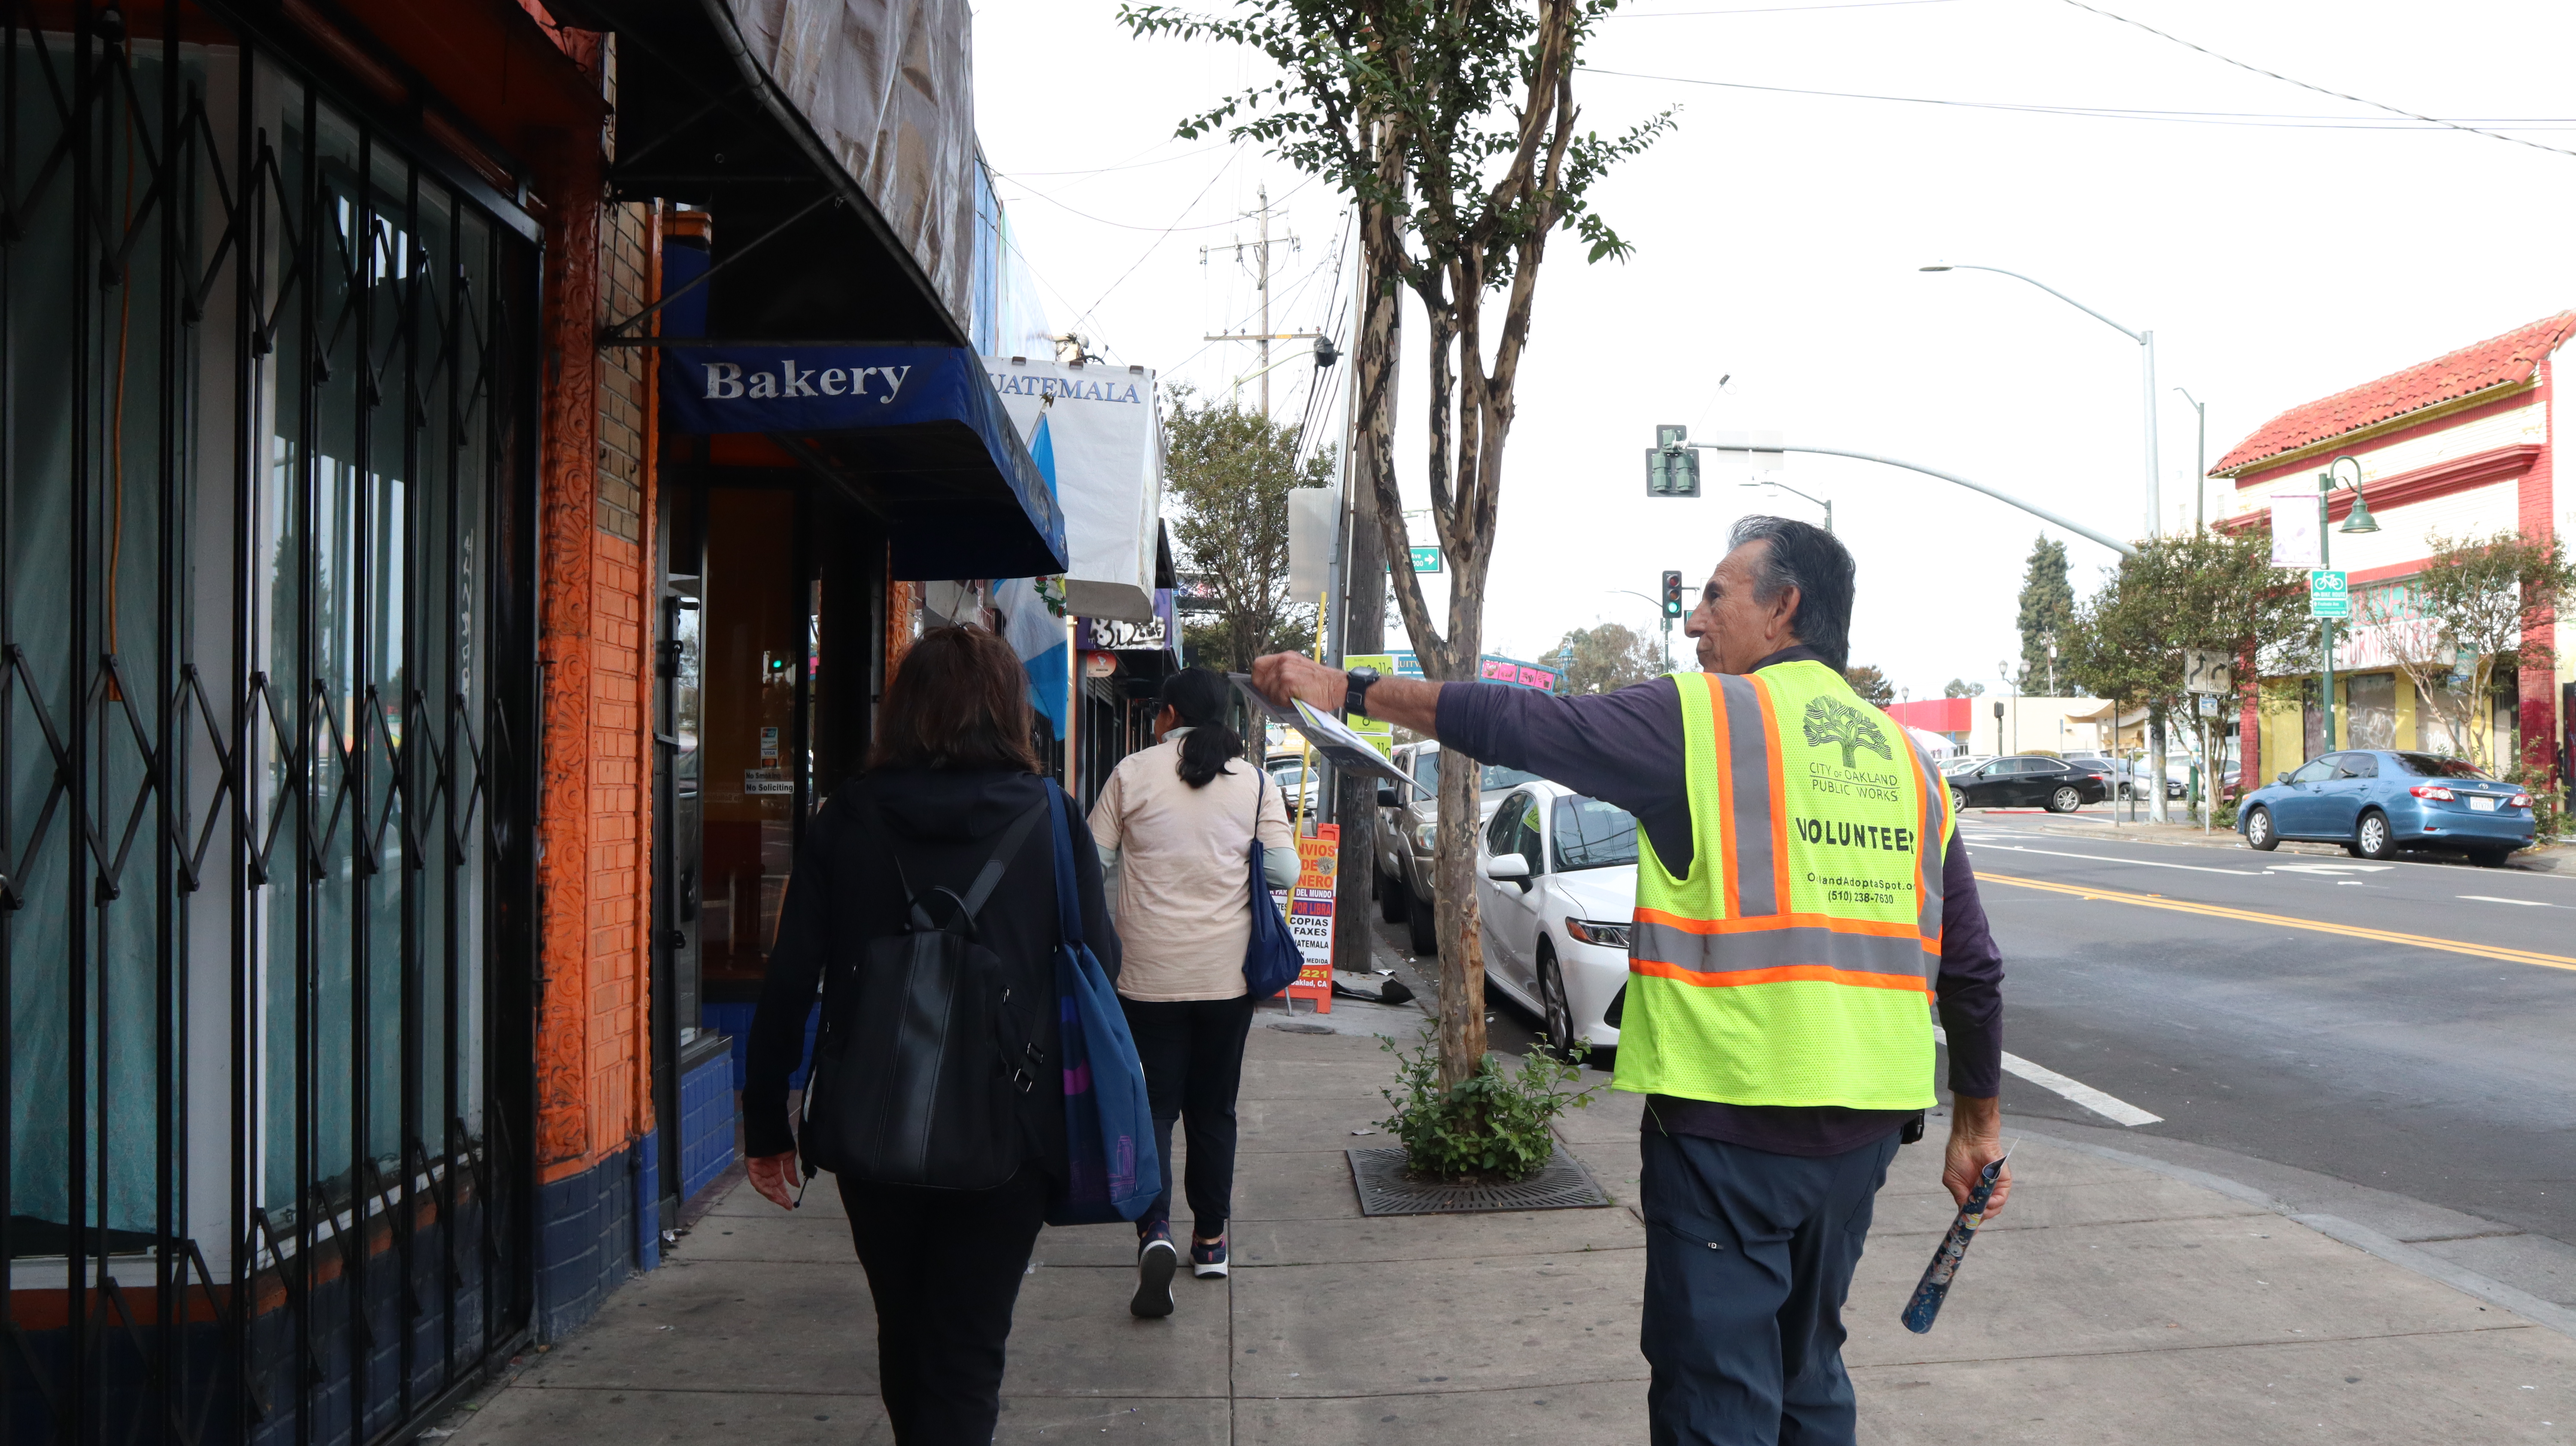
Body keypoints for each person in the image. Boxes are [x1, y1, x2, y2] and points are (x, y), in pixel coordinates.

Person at [1252, 516, 2009, 1446]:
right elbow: (1971, 968)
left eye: (1718, 595)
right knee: (1808, 1374)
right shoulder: (1911, 764)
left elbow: (1521, 721)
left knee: (1718, 1400)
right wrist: (1977, 1124)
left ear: (1785, 607)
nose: (1695, 621)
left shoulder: (1704, 719)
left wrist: (1349, 688)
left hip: (1732, 1122)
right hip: (1861, 1139)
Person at [741, 626, 1118, 1446]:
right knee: (968, 1351)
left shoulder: (847, 818)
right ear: (1010, 713)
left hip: (871, 1121)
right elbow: (1102, 960)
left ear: (902, 711)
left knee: (904, 1329)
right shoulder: (1051, 819)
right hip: (1010, 1131)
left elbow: (790, 974)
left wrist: (766, 1122)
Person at [1087, 666, 1297, 1317]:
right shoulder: (1255, 781)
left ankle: (1154, 1231)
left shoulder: (1132, 773)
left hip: (1145, 977)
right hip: (1226, 979)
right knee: (1214, 1110)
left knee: (1153, 1107)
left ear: (1170, 712)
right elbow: (1285, 870)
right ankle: (1210, 1241)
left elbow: (1089, 859)